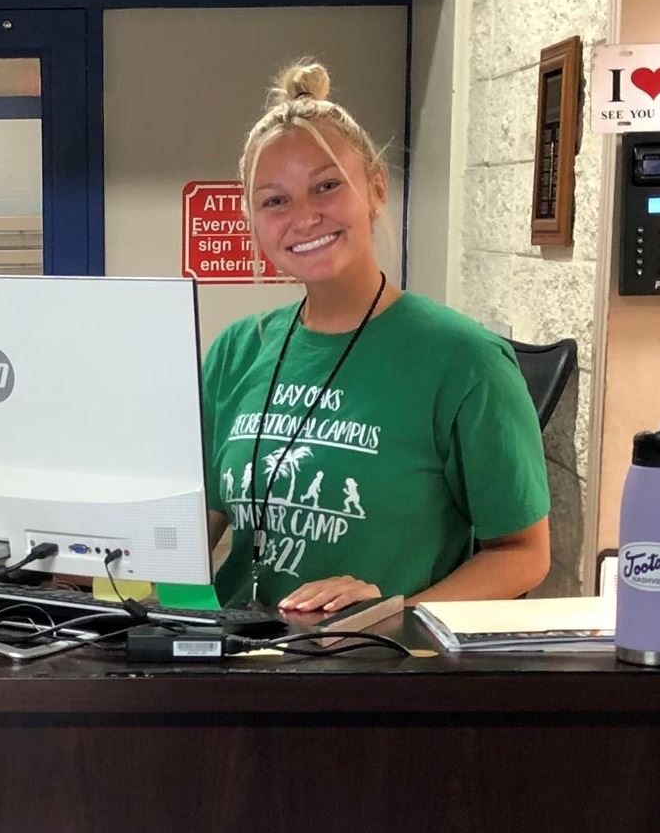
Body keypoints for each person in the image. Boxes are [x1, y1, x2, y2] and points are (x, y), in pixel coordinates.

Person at [202, 60, 550, 613]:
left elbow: (523, 553)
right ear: (253, 220)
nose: (304, 217)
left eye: (326, 187)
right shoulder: (236, 352)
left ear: (376, 189)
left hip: (382, 660)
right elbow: (186, 531)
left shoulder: (466, 361)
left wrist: (394, 615)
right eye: (275, 200)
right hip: (239, 654)